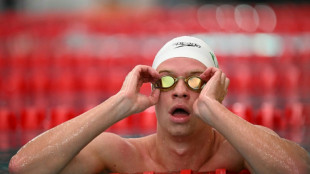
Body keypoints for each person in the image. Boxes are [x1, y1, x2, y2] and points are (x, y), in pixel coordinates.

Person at [9, 36, 310, 174]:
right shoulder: (121, 155)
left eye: (195, 81)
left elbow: (297, 170)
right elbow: (23, 168)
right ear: (154, 90)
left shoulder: (243, 152)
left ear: (213, 90)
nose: (179, 91)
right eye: (166, 80)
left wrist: (215, 109)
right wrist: (119, 103)